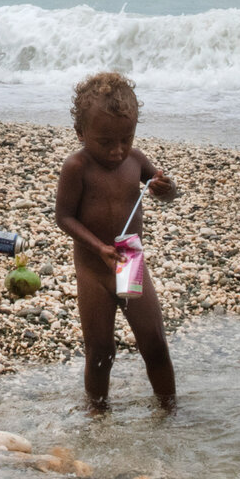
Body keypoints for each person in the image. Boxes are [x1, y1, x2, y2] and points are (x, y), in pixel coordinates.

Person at [53, 70, 179, 409]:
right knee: (100, 351)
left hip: (129, 259)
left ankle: (169, 410)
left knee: (154, 342)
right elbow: (63, 217)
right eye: (106, 142)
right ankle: (98, 414)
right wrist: (98, 248)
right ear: (81, 132)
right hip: (94, 268)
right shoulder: (77, 167)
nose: (117, 151)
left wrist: (167, 188)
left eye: (126, 138)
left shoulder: (135, 161)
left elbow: (164, 190)